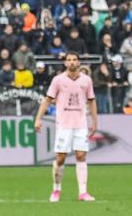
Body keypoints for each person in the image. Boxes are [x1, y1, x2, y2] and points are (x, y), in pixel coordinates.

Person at [33, 53, 99, 203]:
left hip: (80, 123)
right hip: (63, 124)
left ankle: (83, 192)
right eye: (69, 60)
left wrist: (94, 121)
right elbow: (47, 100)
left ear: (79, 62)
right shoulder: (58, 80)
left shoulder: (86, 80)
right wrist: (38, 119)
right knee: (61, 158)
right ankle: (56, 189)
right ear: (65, 63)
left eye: (74, 60)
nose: (72, 62)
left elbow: (92, 101)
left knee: (81, 155)